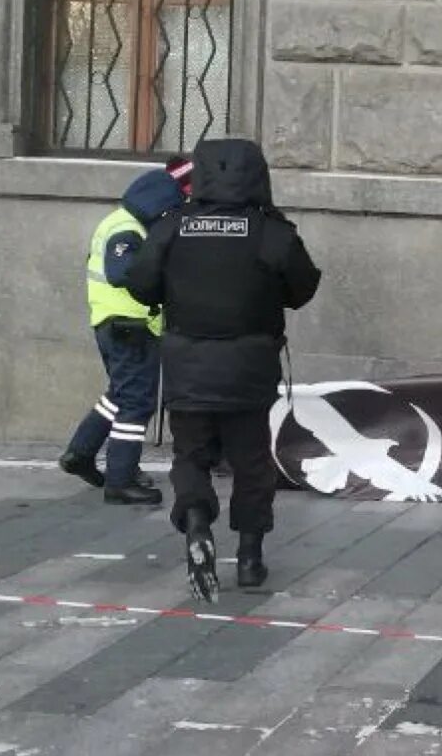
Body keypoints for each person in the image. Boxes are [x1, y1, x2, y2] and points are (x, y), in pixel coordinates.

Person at [125, 138, 321, 601]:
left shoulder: (173, 227)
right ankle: (250, 557)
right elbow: (303, 289)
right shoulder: (271, 232)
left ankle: (196, 522)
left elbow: (139, 284)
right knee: (251, 461)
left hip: (187, 365)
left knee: (190, 454)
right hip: (250, 369)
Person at [58, 165, 189, 504]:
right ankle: (120, 479)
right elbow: (123, 273)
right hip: (129, 325)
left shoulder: (119, 220)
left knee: (120, 393)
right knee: (137, 401)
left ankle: (80, 453)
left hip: (116, 324)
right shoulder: (127, 230)